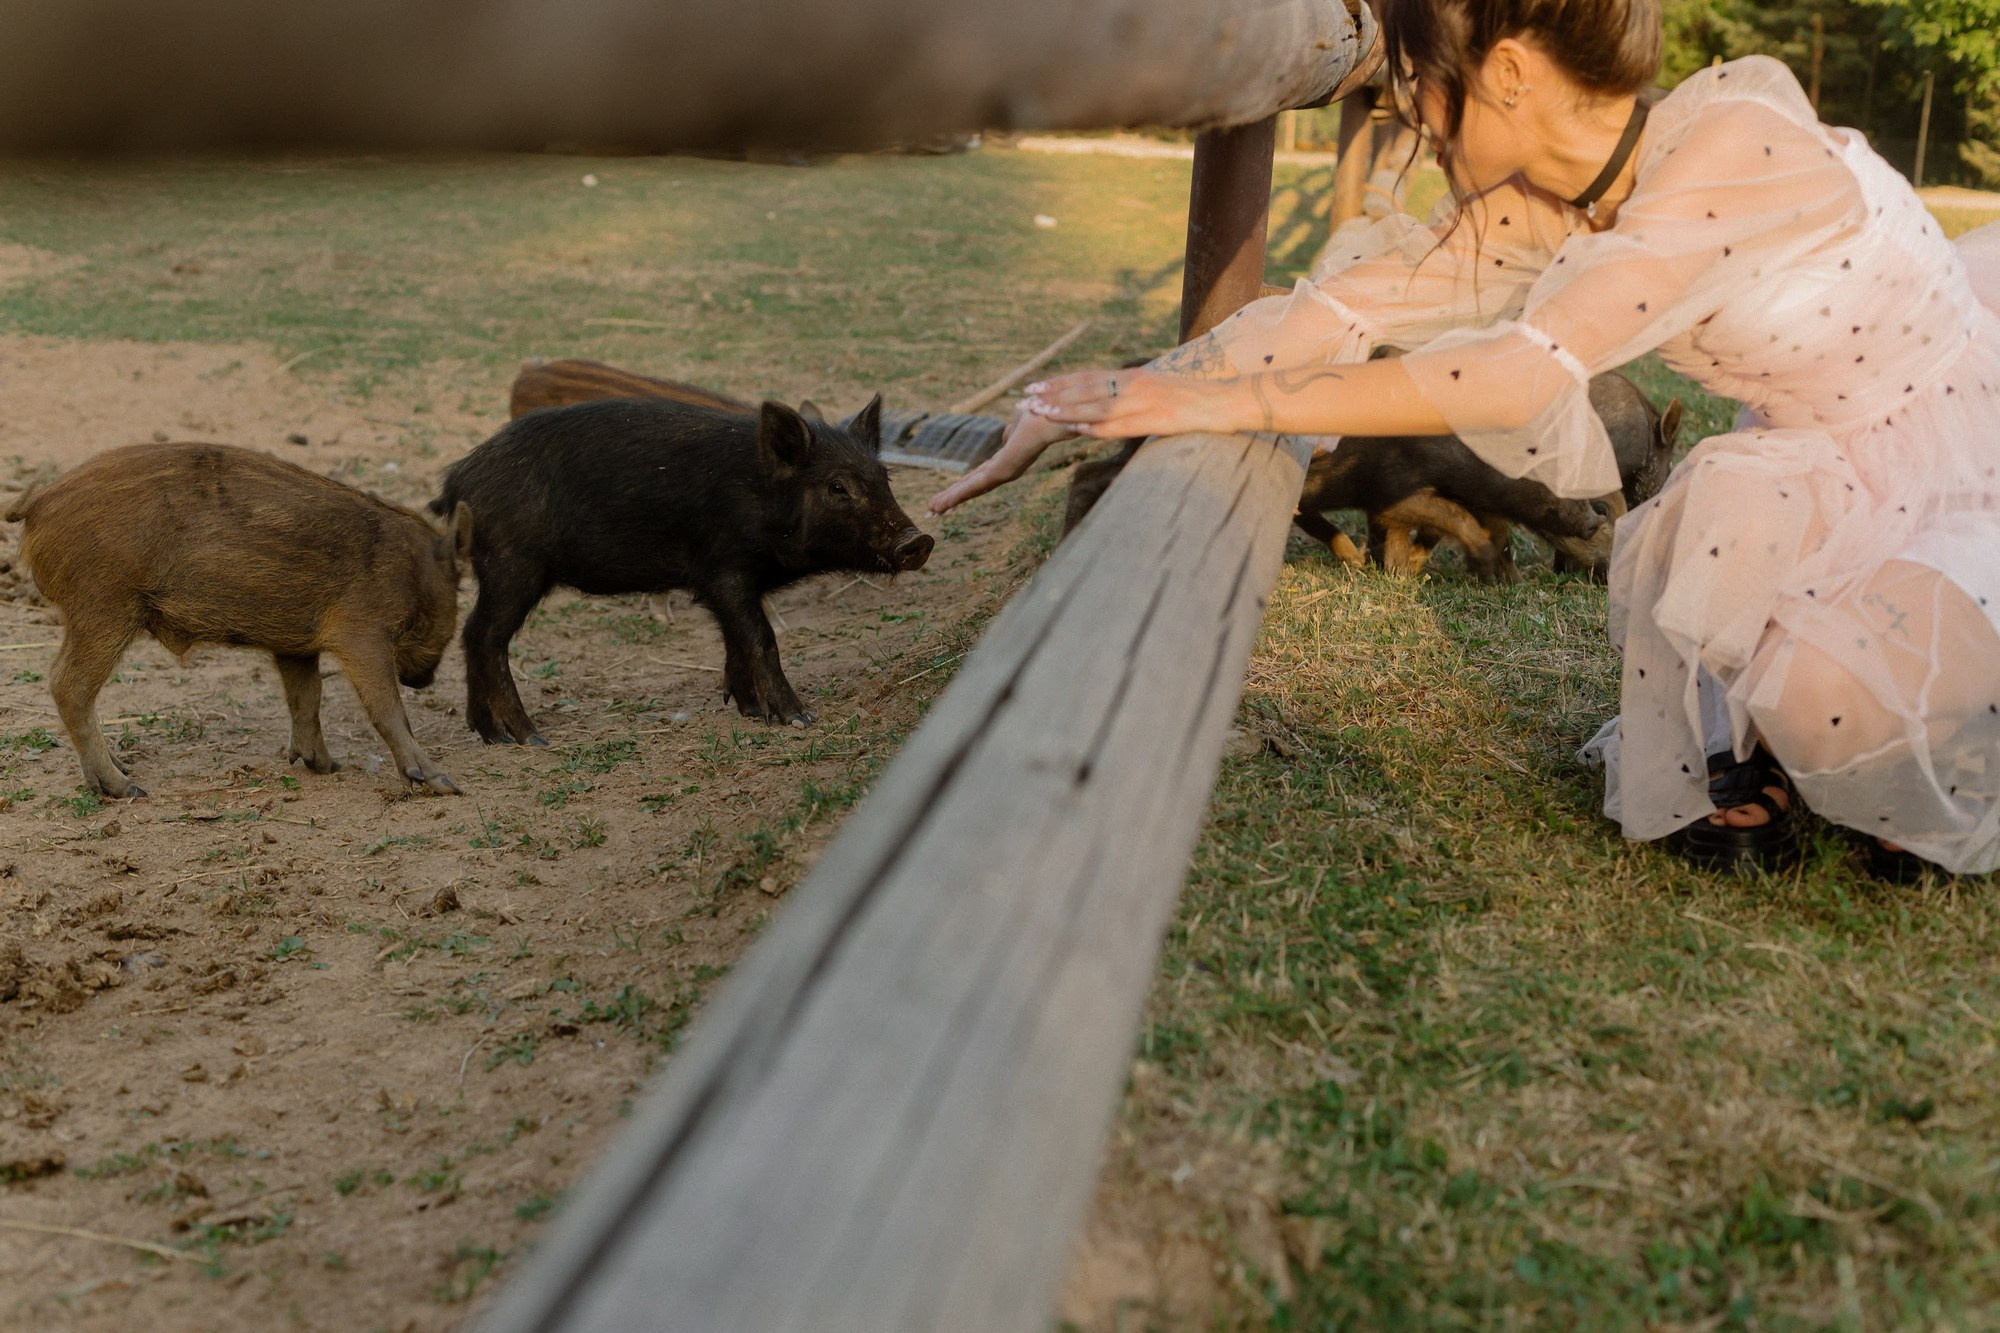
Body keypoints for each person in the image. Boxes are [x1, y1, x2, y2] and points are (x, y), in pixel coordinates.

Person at [926, 0, 2000, 879]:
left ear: (1509, 73)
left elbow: (1519, 370)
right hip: (1815, 452)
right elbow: (1340, 310)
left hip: (1955, 442)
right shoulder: (1542, 200)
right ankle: (1836, 718)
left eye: (1416, 85)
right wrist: (1111, 392)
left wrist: (1215, 409)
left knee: (1831, 715)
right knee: (1816, 711)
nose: (1405, 114)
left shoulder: (1728, 152)